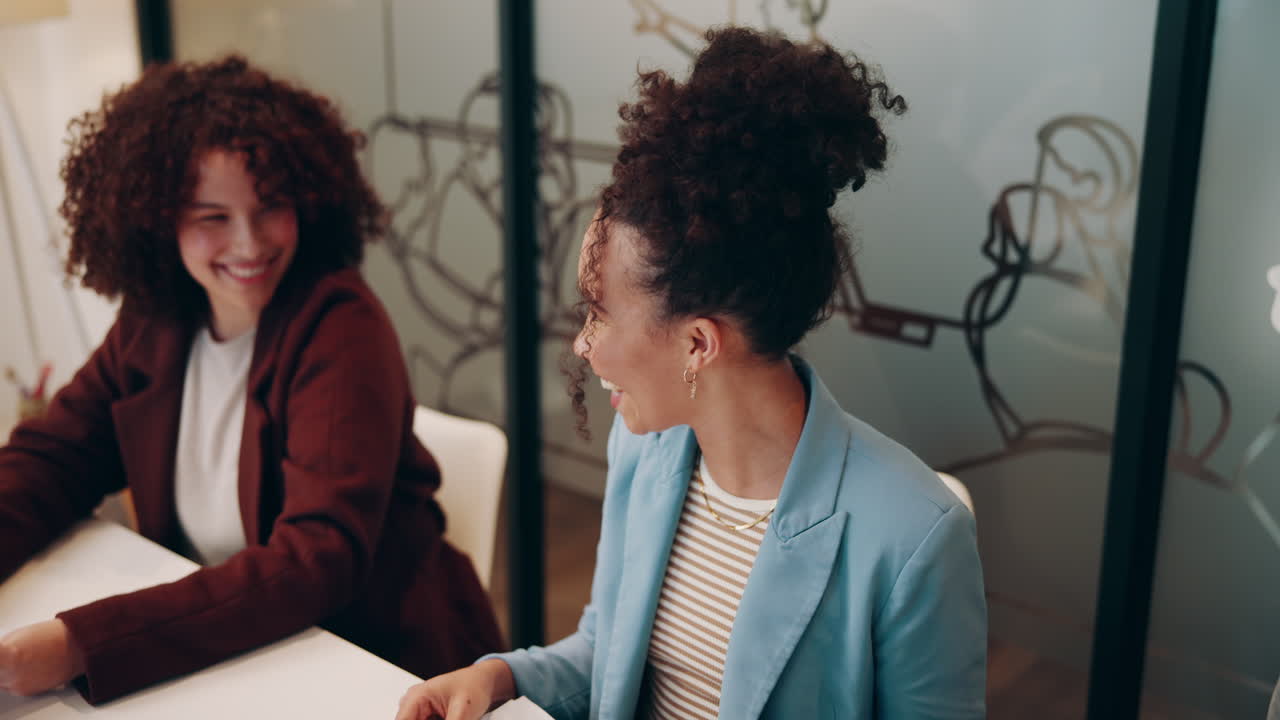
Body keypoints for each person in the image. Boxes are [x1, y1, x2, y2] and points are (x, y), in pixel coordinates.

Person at [396, 26, 986, 720]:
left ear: (699, 345)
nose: (583, 347)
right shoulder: (646, 451)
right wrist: (497, 677)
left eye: (598, 314)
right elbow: (608, 654)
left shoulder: (915, 536)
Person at [0, 56, 502, 705]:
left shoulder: (340, 326)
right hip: (226, 649)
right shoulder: (155, 318)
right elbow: (56, 456)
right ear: (157, 218)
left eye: (271, 207)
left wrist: (77, 644)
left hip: (375, 665)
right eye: (212, 217)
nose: (248, 243)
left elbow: (314, 559)